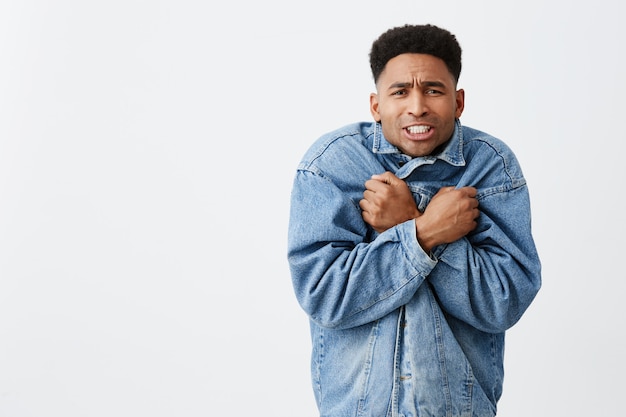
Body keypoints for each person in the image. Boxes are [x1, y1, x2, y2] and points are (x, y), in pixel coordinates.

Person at [287, 24, 541, 417]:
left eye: (434, 90)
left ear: (458, 101)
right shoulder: (333, 165)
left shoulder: (491, 167)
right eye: (400, 91)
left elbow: (502, 301)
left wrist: (407, 221)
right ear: (376, 105)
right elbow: (325, 295)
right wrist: (424, 232)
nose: (418, 106)